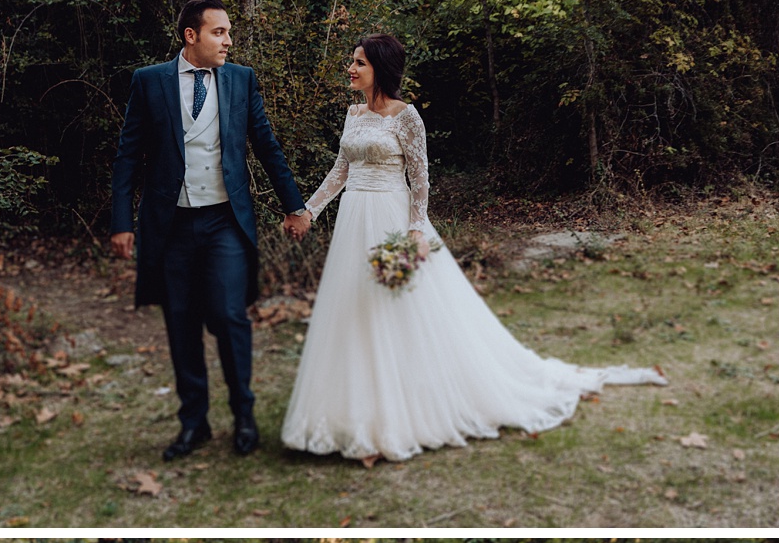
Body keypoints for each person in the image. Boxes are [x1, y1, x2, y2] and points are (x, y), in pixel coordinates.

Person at [281, 28, 663, 462]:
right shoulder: (353, 115)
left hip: (391, 218)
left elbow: (420, 178)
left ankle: (401, 413)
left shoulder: (407, 116)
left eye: (359, 63)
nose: (350, 69)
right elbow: (340, 171)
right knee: (355, 310)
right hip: (354, 218)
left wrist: (415, 230)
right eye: (352, 62)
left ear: (380, 69)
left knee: (398, 310)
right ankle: (354, 412)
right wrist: (308, 210)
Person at [108, 0, 306, 461]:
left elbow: (265, 145)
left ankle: (244, 415)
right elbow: (128, 155)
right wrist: (122, 221)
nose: (228, 41)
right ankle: (194, 424)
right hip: (170, 224)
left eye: (229, 33)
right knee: (181, 323)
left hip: (224, 222)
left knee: (229, 315)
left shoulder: (240, 79)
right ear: (190, 35)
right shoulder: (149, 81)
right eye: (219, 32)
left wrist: (294, 205)